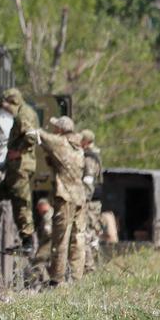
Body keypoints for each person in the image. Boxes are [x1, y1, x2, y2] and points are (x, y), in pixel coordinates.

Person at [35, 116, 85, 285]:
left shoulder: (61, 143)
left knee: (60, 238)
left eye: (56, 127)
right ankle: (76, 278)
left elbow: (42, 136)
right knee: (78, 239)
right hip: (80, 197)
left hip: (66, 197)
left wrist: (33, 130)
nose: (54, 129)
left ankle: (57, 279)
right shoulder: (77, 146)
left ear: (61, 130)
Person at [0, 88, 40, 255]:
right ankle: (25, 238)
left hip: (21, 164)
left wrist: (19, 150)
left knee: (21, 202)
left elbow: (31, 136)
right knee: (13, 196)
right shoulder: (26, 112)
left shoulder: (23, 115)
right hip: (19, 165)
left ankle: (27, 240)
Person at [78, 129, 103, 273]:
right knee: (92, 236)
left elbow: (88, 181)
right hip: (93, 203)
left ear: (86, 142)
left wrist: (83, 200)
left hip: (90, 203)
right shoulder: (93, 155)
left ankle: (89, 268)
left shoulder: (89, 158)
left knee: (87, 235)